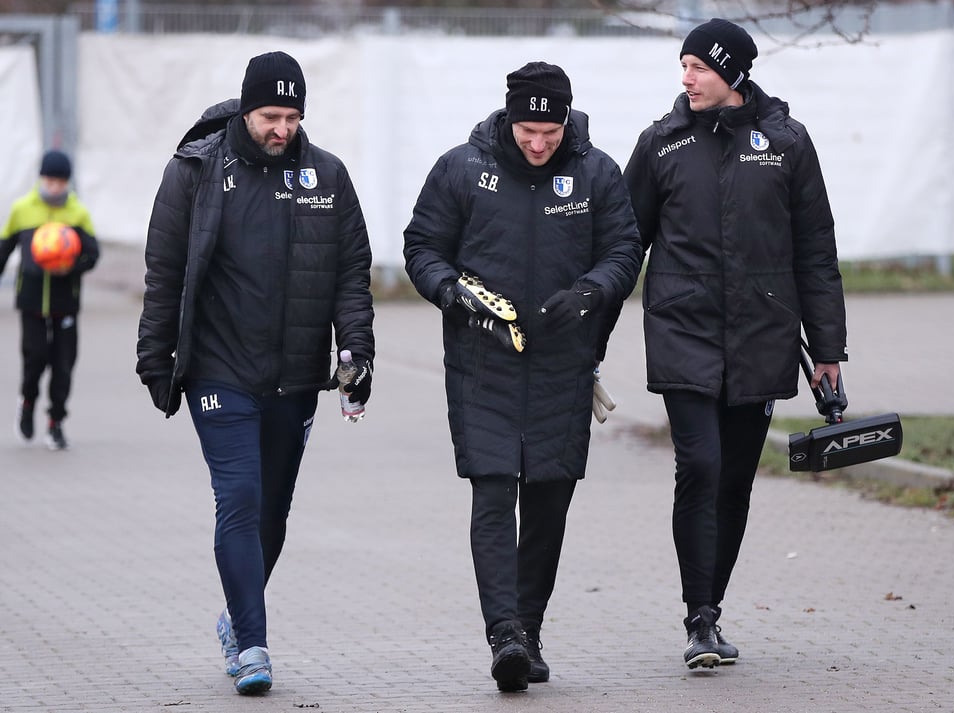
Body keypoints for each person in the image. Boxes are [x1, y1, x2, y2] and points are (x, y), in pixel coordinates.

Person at [135, 51, 374, 695]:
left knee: (273, 512)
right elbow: (166, 272)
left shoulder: (328, 176)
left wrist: (357, 352)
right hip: (219, 369)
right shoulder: (196, 172)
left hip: (294, 376)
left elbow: (351, 273)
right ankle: (253, 643)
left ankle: (234, 618)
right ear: (246, 110)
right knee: (238, 499)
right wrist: (156, 356)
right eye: (271, 115)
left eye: (294, 117)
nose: (283, 128)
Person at [403, 61, 643, 692]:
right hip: (483, 360)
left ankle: (530, 629)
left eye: (550, 131)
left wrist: (589, 295)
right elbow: (422, 246)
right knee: (492, 489)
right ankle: (504, 632)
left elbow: (624, 249)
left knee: (548, 498)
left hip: (563, 362)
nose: (538, 144)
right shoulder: (461, 168)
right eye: (527, 130)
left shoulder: (597, 172)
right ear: (508, 118)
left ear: (567, 120)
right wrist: (452, 293)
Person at [623, 19, 848, 670]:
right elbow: (622, 247)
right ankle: (698, 618)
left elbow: (816, 252)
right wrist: (586, 334)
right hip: (682, 330)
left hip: (762, 336)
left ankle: (712, 609)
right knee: (699, 464)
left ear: (734, 74)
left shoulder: (785, 143)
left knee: (735, 481)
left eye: (699, 66)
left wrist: (827, 349)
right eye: (683, 65)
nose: (686, 77)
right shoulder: (661, 145)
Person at [1, 149, 101, 450]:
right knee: (35, 358)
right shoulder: (22, 210)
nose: (55, 186)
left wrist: (71, 266)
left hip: (64, 302)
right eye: (50, 180)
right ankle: (27, 401)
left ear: (67, 182)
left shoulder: (77, 213)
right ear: (41, 179)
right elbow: (4, 250)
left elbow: (93, 255)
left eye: (60, 181)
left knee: (63, 364)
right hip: (31, 301)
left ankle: (56, 422)